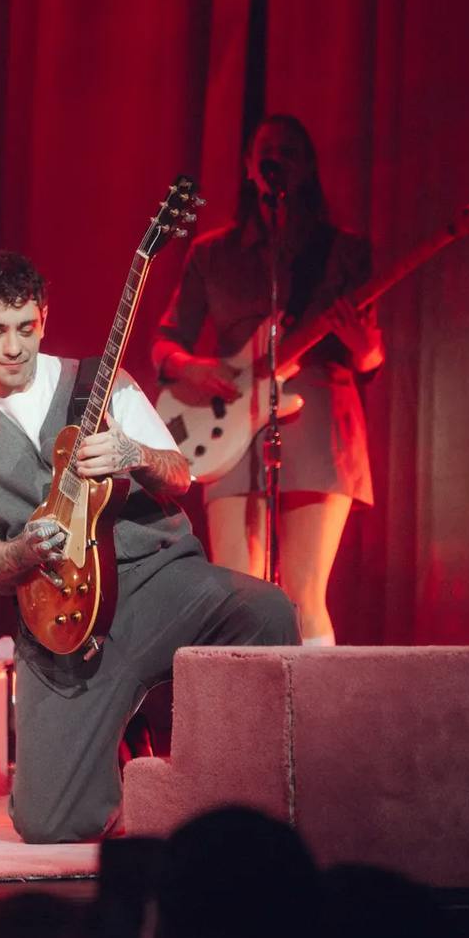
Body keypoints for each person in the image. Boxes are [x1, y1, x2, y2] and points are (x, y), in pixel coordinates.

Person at [0, 252, 297, 844]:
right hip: (63, 624)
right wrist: (23, 549)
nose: (15, 347)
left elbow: (179, 476)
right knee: (50, 825)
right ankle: (124, 750)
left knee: (267, 610)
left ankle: (252, 809)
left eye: (27, 327)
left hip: (157, 582)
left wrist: (134, 455)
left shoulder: (98, 381)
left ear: (43, 319)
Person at [151, 114, 383, 645]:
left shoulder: (343, 251)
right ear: (249, 167)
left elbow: (371, 358)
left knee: (304, 592)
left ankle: (319, 722)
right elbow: (165, 343)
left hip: (319, 410)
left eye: (291, 151)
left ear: (307, 168)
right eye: (267, 150)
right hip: (229, 418)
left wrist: (364, 347)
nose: (277, 158)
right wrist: (194, 367)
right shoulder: (213, 252)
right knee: (238, 592)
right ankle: (247, 722)